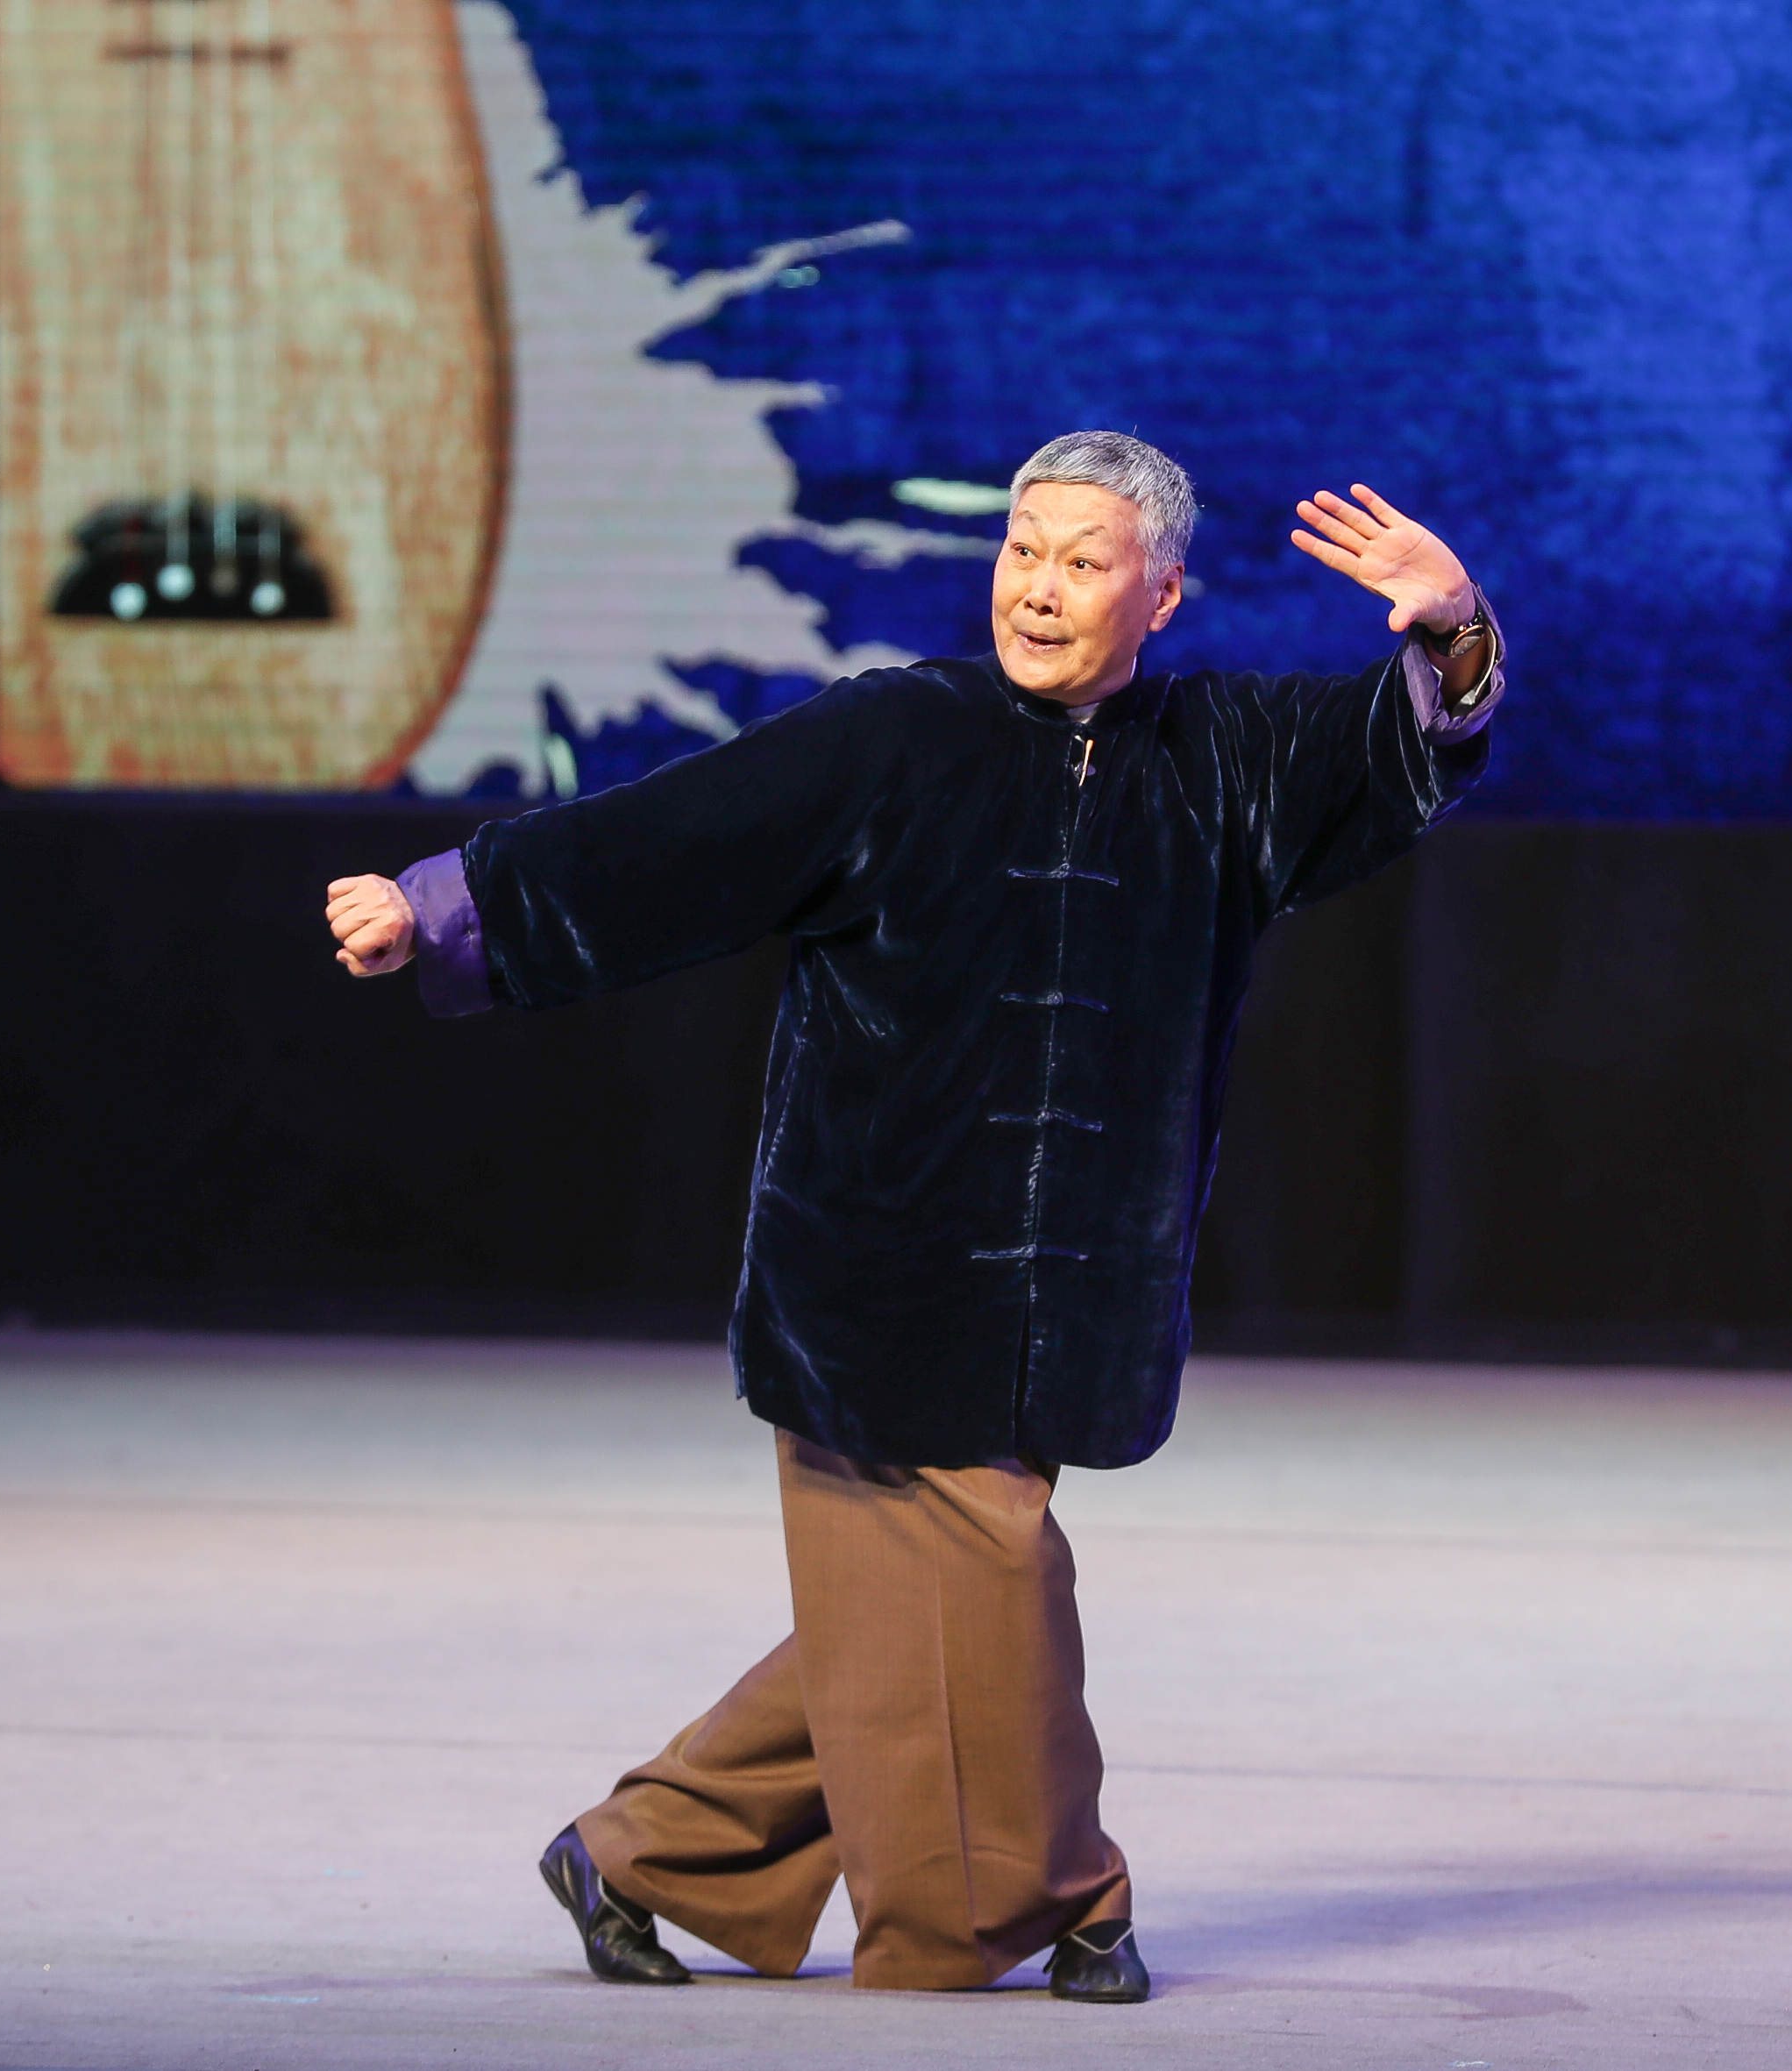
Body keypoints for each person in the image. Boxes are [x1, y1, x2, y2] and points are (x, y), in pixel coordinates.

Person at [323, 431, 1501, 2003]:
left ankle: (647, 1851)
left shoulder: (1224, 761)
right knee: (994, 1578)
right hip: (876, 1272)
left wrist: (1454, 626)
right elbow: (668, 840)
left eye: (1083, 562)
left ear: (1161, 595)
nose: (1039, 588)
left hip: (1074, 1284)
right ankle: (1063, 1898)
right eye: (1023, 551)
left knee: (906, 1623)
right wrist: (444, 905)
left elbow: (1394, 752)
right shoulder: (892, 736)